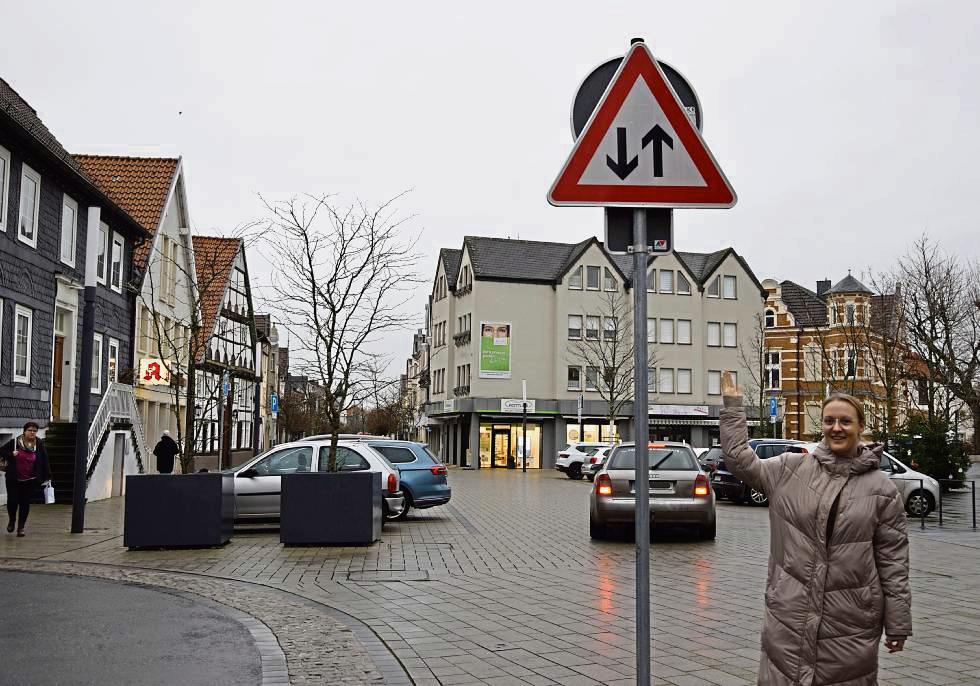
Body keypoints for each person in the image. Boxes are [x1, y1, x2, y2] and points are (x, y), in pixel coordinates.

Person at [719, 372, 911, 685]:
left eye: (846, 422)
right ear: (821, 425)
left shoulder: (882, 490)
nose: (836, 428)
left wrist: (898, 623)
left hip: (850, 622)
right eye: (829, 421)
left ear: (861, 428)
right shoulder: (788, 469)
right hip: (790, 613)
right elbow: (740, 460)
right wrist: (733, 408)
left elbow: (893, 563)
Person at [1, 421, 52, 537]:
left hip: (30, 479)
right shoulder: (15, 442)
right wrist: (11, 454)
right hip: (13, 478)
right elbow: (1, 451)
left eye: (34, 431)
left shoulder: (39, 444)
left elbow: (44, 459)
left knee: (25, 503)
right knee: (12, 501)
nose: (32, 433)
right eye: (30, 430)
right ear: (24, 431)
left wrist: (48, 476)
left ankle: (21, 527)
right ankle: (12, 520)